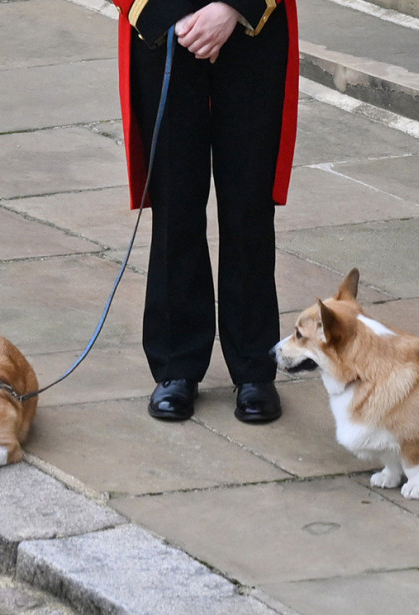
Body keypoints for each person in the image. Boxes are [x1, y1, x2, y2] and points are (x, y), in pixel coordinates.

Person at [111, 0, 298, 423]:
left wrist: (233, 8)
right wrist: (170, 12)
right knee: (175, 206)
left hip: (255, 29)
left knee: (249, 205)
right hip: (161, 29)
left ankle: (254, 366)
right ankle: (176, 364)